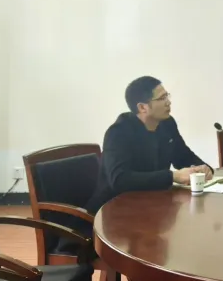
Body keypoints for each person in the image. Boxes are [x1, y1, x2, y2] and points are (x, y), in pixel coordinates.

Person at [84, 76, 214, 216]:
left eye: (167, 96)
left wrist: (203, 168)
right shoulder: (118, 132)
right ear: (142, 107)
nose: (168, 102)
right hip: (114, 211)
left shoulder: (167, 123)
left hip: (150, 205)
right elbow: (120, 179)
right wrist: (172, 176)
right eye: (162, 98)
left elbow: (182, 155)